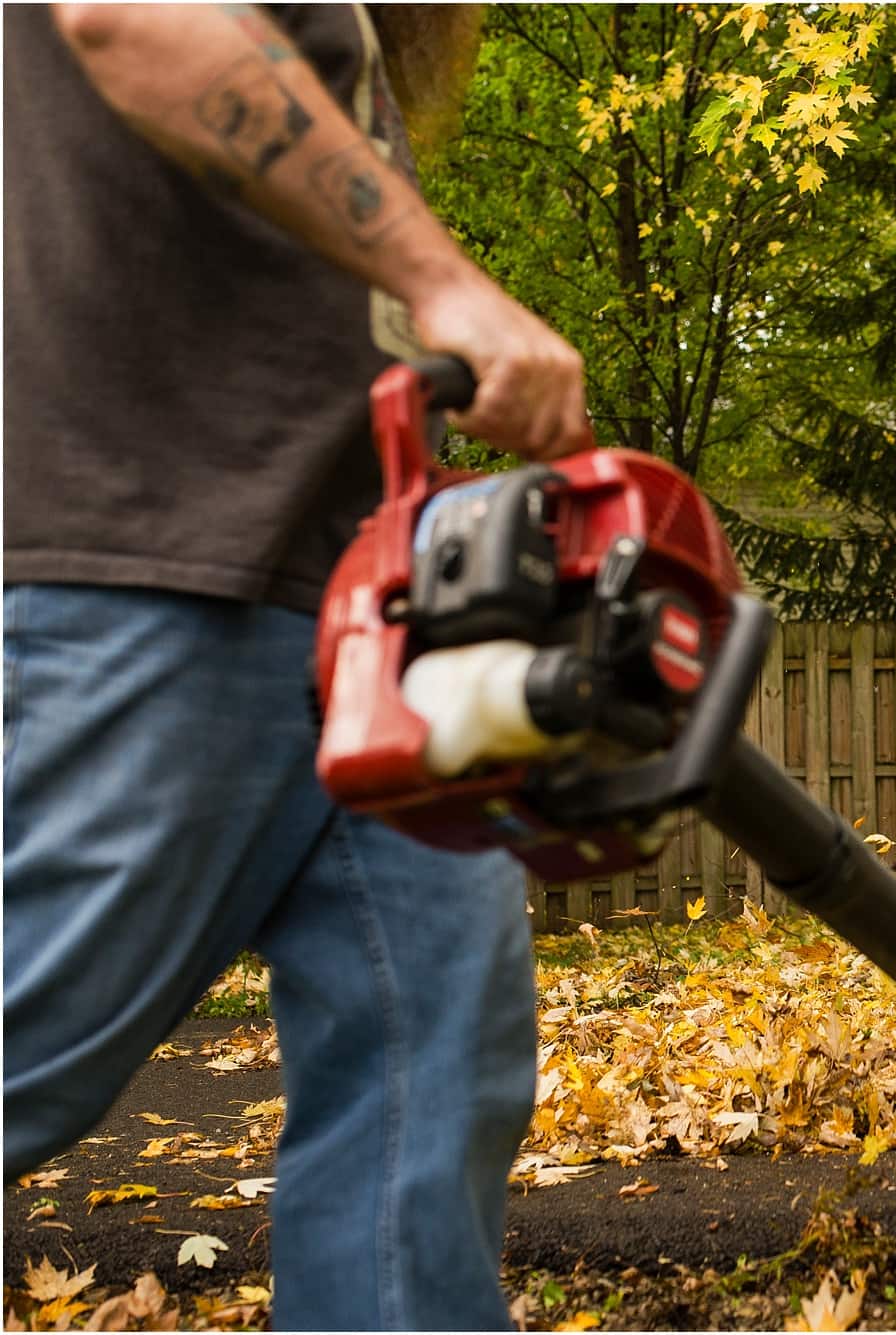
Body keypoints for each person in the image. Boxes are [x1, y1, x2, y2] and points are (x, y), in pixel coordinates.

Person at [4, 5, 591, 1327]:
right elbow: (128, 18)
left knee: (427, 1104)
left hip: (370, 597)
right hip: (151, 544)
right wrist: (447, 280)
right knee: (29, 1037)